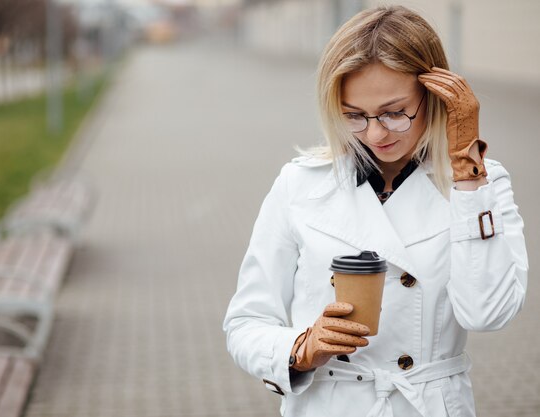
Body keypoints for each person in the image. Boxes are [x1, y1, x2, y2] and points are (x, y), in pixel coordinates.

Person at [222, 5, 528, 417]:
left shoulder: (478, 184)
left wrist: (467, 170)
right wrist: (302, 348)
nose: (376, 133)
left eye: (394, 112)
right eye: (355, 116)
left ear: (435, 95)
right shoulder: (301, 184)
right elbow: (246, 323)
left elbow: (487, 313)